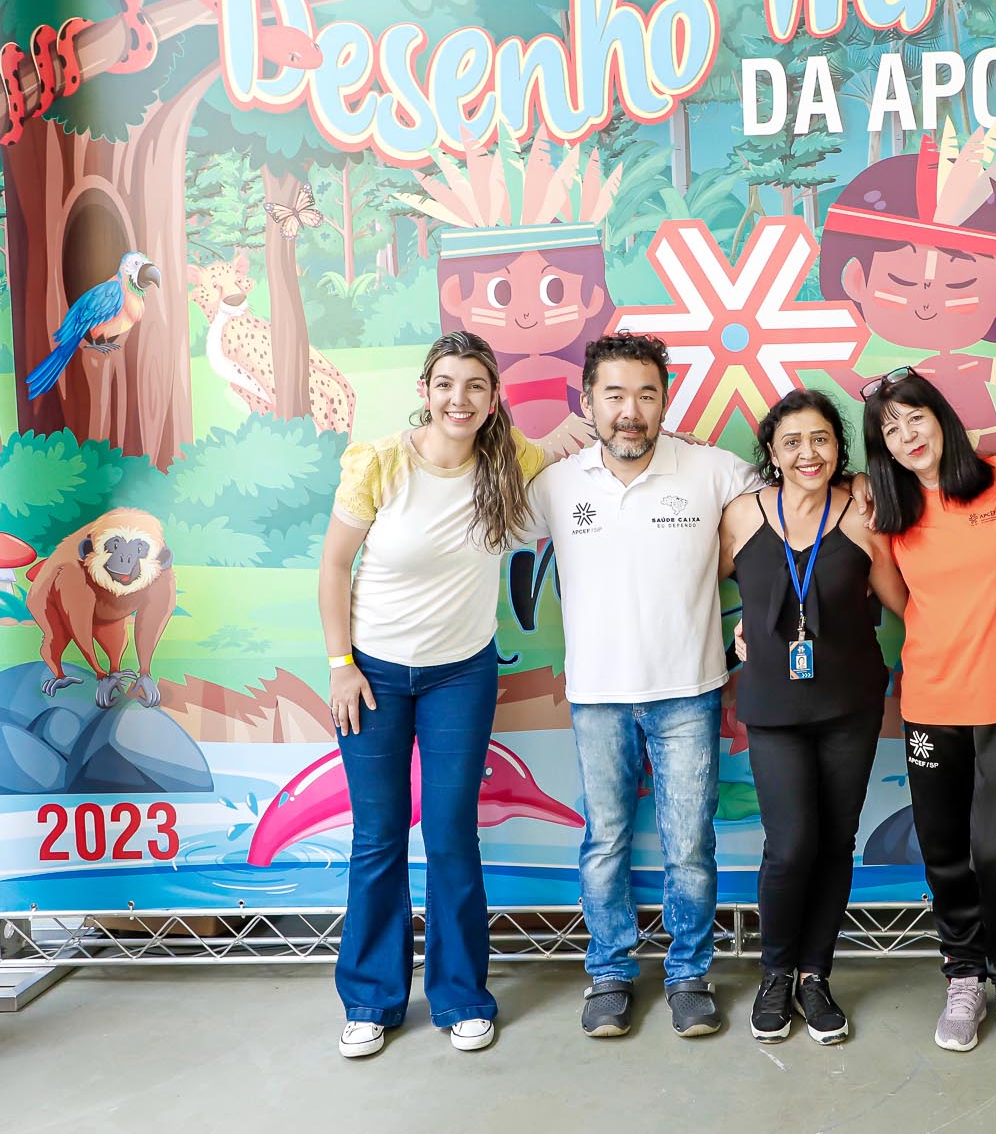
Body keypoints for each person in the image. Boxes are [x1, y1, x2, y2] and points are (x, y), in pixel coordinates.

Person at [318, 332, 551, 1060]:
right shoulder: (379, 463)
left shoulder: (511, 462)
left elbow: (575, 456)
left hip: (461, 675)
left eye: (475, 385)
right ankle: (370, 999)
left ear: (493, 397)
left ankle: (461, 997)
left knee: (451, 833)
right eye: (446, 383)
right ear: (425, 390)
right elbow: (334, 566)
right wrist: (341, 664)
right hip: (374, 675)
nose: (460, 398)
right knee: (378, 835)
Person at [523, 331, 761, 1040]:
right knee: (605, 842)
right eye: (615, 395)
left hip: (689, 690)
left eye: (646, 395)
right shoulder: (556, 484)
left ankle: (689, 975)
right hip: (596, 695)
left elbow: (792, 502)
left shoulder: (712, 470)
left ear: (665, 401)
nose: (630, 411)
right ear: (588, 401)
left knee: (690, 844)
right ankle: (610, 972)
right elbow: (480, 520)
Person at [860, 369, 996, 1063]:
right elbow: (900, 598)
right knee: (945, 851)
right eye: (890, 430)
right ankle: (964, 977)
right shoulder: (891, 513)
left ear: (940, 417)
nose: (906, 435)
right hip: (932, 700)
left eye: (913, 417)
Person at [719, 389, 906, 1045]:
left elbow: (907, 602)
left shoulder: (859, 514)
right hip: (773, 708)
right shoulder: (741, 515)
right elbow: (689, 589)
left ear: (838, 448)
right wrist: (736, 633)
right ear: (771, 452)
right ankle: (775, 972)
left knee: (834, 842)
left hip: (849, 705)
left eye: (821, 438)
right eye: (793, 440)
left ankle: (814, 975)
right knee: (791, 843)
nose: (808, 452)